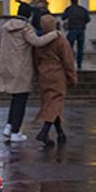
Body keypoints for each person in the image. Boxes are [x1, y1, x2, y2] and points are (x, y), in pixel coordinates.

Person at [0, 1, 62, 142]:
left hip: (7, 66)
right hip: (21, 68)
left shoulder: (5, 26)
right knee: (21, 99)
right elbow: (37, 41)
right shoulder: (25, 28)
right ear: (29, 15)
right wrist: (54, 34)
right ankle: (15, 132)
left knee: (15, 98)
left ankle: (8, 127)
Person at [31, 13, 78, 145]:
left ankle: (60, 133)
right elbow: (68, 61)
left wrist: (36, 73)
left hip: (43, 75)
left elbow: (35, 60)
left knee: (50, 103)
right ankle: (44, 132)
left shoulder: (39, 41)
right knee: (55, 102)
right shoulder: (60, 40)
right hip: (57, 75)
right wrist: (72, 77)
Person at [61, 0, 90, 69]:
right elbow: (88, 19)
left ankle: (69, 63)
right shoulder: (82, 9)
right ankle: (79, 64)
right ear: (77, 1)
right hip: (81, 30)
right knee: (80, 48)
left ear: (71, 2)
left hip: (72, 30)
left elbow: (63, 17)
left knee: (69, 48)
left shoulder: (69, 9)